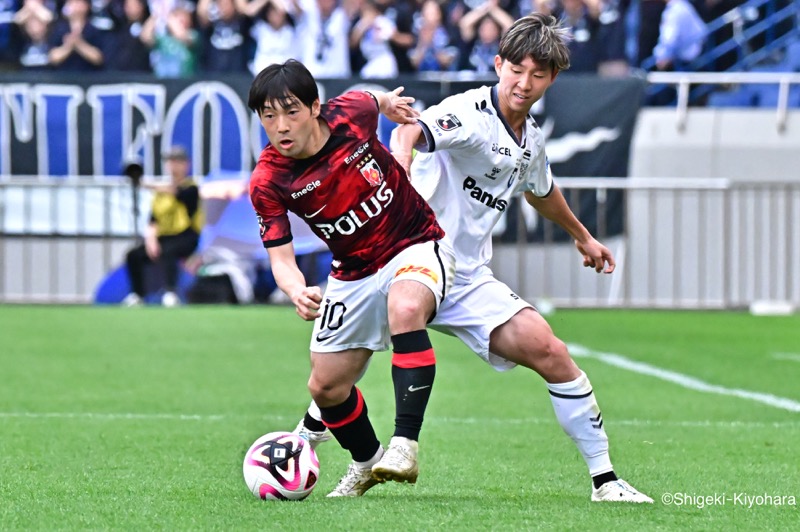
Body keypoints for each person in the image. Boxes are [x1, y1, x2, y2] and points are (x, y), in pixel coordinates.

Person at [298, 13, 653, 503]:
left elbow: (540, 191)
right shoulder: (468, 113)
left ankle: (606, 481)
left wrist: (583, 237)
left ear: (552, 78)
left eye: (539, 75)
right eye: (517, 69)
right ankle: (347, 448)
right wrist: (397, 173)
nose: (524, 84)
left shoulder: (531, 138)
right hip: (403, 251)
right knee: (331, 383)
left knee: (551, 352)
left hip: (462, 273)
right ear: (498, 63)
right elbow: (406, 134)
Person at [247, 60, 455, 497]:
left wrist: (391, 105)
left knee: (406, 307)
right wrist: (294, 289)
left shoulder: (350, 113)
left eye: (290, 111)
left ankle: (404, 444)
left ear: (315, 107)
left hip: (414, 241)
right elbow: (281, 258)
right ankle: (368, 463)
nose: (280, 126)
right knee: (325, 386)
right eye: (268, 116)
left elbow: (373, 99)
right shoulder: (269, 179)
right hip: (353, 271)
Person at [122, 146, 204, 307]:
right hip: (164, 236)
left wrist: (145, 183)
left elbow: (178, 192)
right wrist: (150, 241)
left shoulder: (191, 187)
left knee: (168, 251)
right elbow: (153, 220)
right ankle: (137, 295)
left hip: (187, 236)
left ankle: (170, 292)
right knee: (134, 255)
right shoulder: (160, 194)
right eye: (171, 162)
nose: (174, 166)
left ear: (186, 165)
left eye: (178, 162)